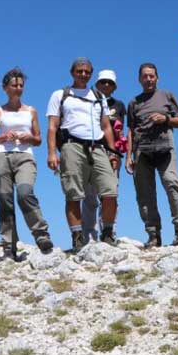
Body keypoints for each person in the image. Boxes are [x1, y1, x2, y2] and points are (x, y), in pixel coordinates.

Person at [47, 58, 119, 252]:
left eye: (87, 72)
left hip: (97, 147)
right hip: (71, 146)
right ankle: (77, 237)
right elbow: (52, 126)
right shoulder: (60, 95)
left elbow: (106, 126)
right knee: (73, 193)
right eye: (79, 71)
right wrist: (52, 153)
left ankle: (107, 232)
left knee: (110, 191)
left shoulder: (98, 96)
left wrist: (112, 152)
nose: (83, 74)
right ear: (72, 72)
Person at [0, 67, 54, 257]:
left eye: (21, 85)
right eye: (14, 85)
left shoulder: (31, 111)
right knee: (4, 200)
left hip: (25, 157)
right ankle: (9, 245)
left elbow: (38, 139)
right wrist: (3, 136)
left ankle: (41, 235)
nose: (18, 88)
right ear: (5, 88)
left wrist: (28, 137)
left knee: (25, 193)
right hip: (1, 157)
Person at [126, 63, 178, 248]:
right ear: (139, 79)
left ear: (157, 78)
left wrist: (166, 119)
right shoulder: (134, 102)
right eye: (145, 76)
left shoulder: (167, 96)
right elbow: (130, 130)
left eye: (151, 76)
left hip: (165, 148)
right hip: (142, 151)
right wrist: (129, 156)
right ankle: (153, 235)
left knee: (172, 185)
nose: (148, 79)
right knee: (145, 194)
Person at [81, 69, 126, 243]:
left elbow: (120, 131)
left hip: (111, 152)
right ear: (97, 84)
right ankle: (88, 234)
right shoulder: (87, 101)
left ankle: (109, 231)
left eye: (110, 83)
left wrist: (117, 153)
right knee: (89, 194)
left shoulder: (119, 105)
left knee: (110, 193)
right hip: (91, 149)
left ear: (114, 86)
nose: (106, 85)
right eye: (103, 82)